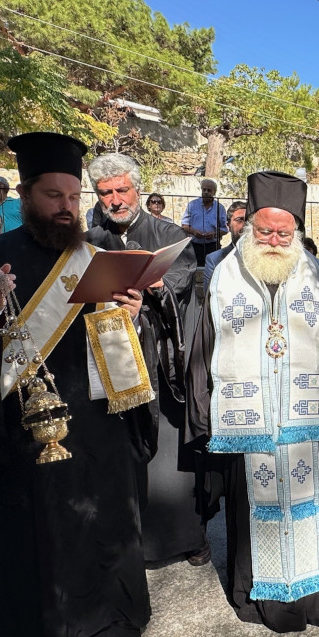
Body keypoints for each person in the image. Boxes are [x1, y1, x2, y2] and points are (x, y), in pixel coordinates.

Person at [0, 132, 155, 637]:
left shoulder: (95, 257)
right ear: (24, 195)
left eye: (74, 198)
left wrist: (131, 311)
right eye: (53, 196)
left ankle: (102, 621)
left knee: (92, 525)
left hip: (94, 428)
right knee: (24, 542)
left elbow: (117, 347)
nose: (66, 208)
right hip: (13, 436)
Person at [183, 170, 319, 632]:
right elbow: (203, 347)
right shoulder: (223, 276)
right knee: (255, 511)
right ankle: (259, 602)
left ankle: (316, 600)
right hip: (251, 421)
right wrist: (203, 415)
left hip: (308, 418)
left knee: (314, 508)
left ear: (297, 232)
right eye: (265, 230)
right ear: (248, 227)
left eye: (285, 233)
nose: (275, 240)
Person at [85, 152, 207, 566]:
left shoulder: (168, 234)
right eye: (106, 193)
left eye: (122, 190)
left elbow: (182, 282)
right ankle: (129, 539)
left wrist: (154, 293)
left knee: (169, 458)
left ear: (136, 188)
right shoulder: (89, 238)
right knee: (117, 454)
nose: (115, 200)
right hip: (107, 362)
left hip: (160, 361)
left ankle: (184, 539)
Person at [181, 178, 227, 265]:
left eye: (209, 190)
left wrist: (214, 234)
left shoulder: (219, 208)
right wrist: (194, 232)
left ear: (214, 192)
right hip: (194, 246)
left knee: (213, 269)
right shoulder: (192, 205)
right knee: (194, 270)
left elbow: (225, 229)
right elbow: (184, 225)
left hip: (213, 246)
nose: (206, 192)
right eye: (204, 189)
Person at [203, 200, 247, 290]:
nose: (245, 225)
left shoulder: (262, 257)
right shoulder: (214, 260)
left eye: (248, 220)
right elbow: (209, 297)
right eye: (239, 220)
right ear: (228, 225)